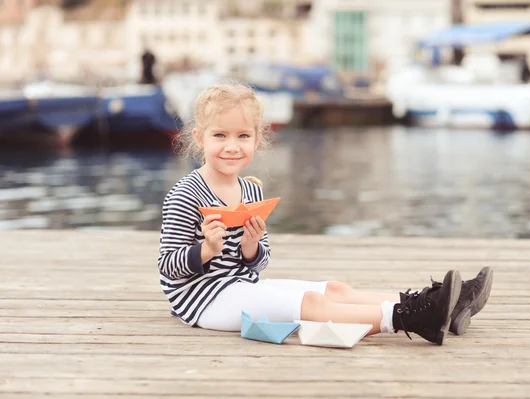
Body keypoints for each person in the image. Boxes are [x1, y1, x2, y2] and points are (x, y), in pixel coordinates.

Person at [157, 82, 493, 345]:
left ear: (257, 138)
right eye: (220, 135)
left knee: (334, 289)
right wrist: (206, 250)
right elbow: (168, 268)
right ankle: (411, 318)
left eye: (243, 135)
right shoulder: (186, 194)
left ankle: (446, 302)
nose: (232, 145)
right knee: (312, 306)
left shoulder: (251, 190)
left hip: (240, 285)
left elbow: (258, 264)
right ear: (200, 139)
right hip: (203, 300)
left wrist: (251, 246)